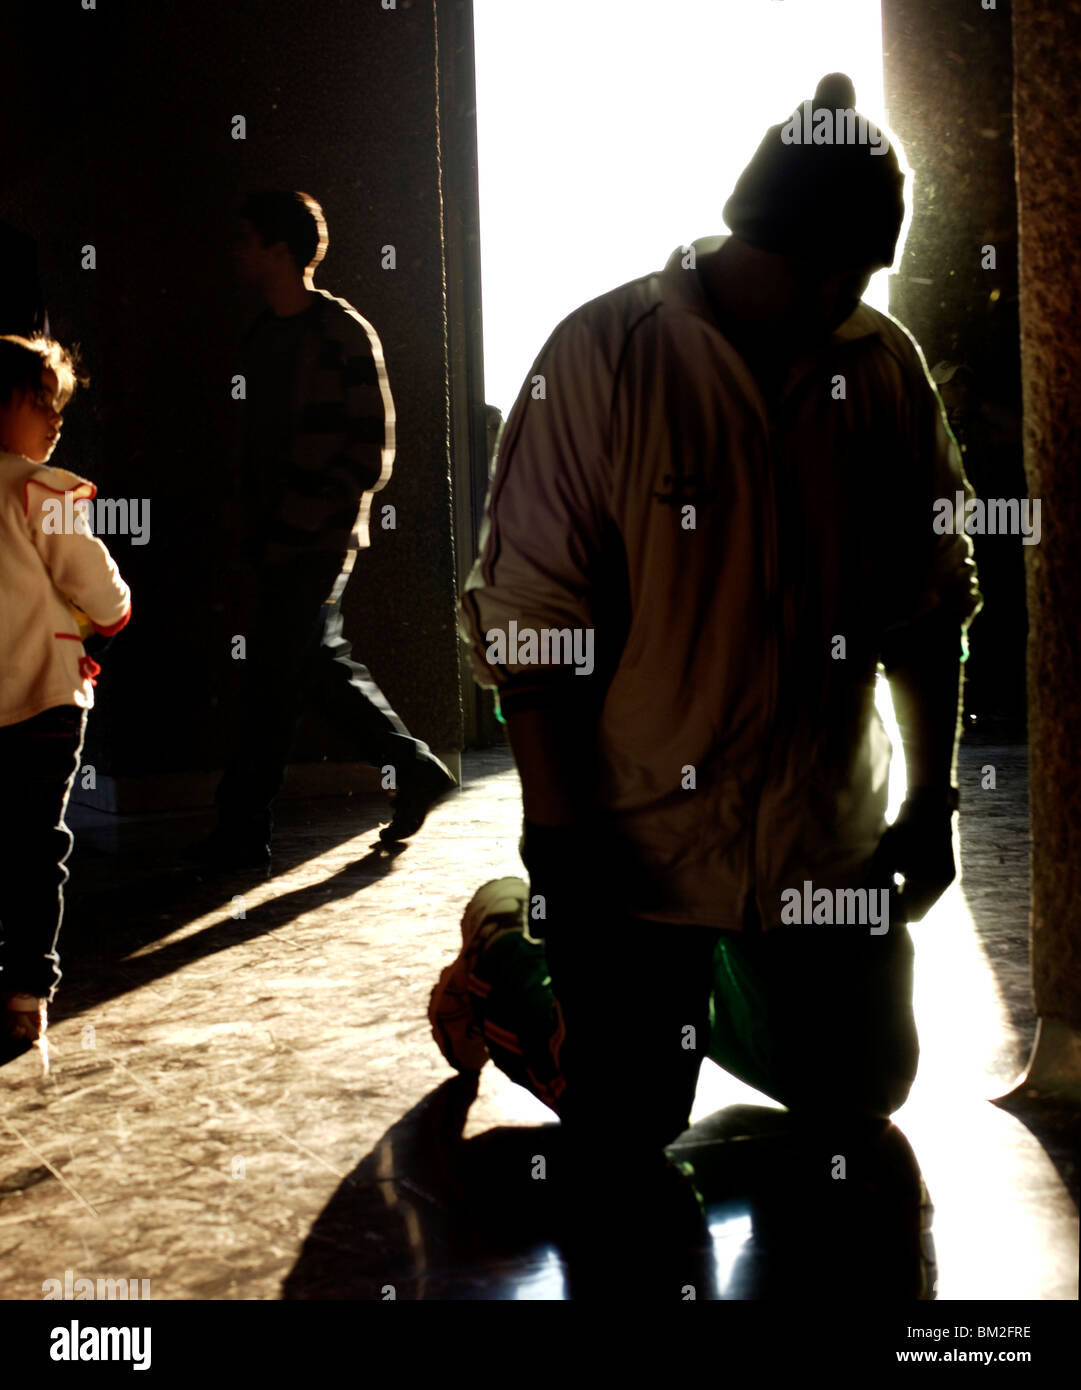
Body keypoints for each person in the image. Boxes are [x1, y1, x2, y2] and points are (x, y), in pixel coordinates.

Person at [434, 75, 981, 1286]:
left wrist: (928, 803)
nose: (854, 298)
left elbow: (932, 596)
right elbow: (529, 624)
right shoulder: (603, 356)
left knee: (859, 1095)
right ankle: (502, 947)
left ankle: (727, 970)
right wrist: (562, 847)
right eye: (842, 270)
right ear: (772, 239)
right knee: (628, 1124)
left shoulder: (874, 370)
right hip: (635, 843)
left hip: (816, 841)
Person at [199, 190, 455, 869]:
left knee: (271, 681)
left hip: (314, 538)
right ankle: (414, 769)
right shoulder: (262, 335)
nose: (237, 251)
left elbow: (373, 449)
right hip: (272, 538)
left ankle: (241, 832)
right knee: (307, 665)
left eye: (247, 238)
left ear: (279, 251)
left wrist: (307, 518)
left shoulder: (340, 332)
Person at [0, 334, 131, 1047]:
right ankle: (26, 989)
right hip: (45, 700)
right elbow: (94, 580)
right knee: (32, 844)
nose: (56, 420)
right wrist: (108, 621)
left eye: (60, 407)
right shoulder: (39, 488)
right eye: (40, 402)